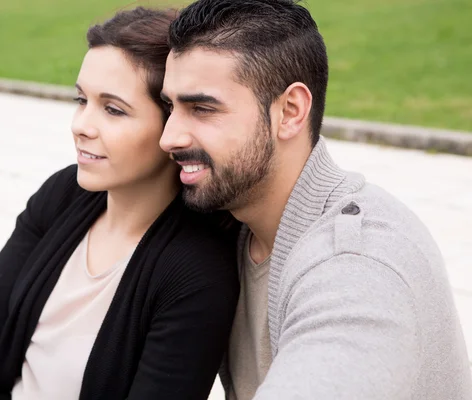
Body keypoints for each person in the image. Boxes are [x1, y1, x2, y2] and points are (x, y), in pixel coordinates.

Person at [0, 7, 240, 400]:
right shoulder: (64, 195)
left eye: (113, 109)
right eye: (81, 99)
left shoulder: (195, 273)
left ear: (174, 125)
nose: (80, 124)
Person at [160, 0, 472, 399]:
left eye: (202, 108)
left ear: (290, 111)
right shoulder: (234, 226)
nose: (168, 138)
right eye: (171, 107)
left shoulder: (359, 262)